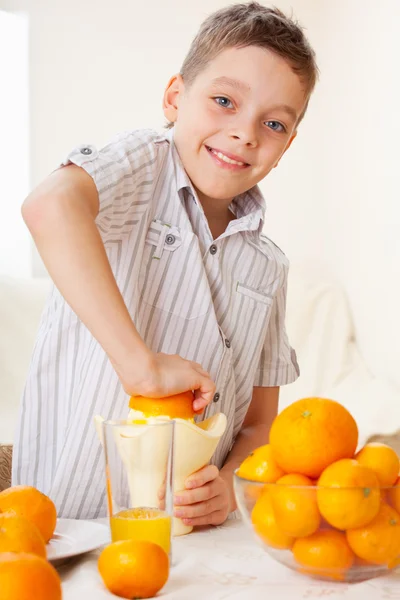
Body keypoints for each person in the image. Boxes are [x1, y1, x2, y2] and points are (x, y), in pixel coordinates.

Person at [12, 2, 318, 525]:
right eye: (224, 100)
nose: (245, 133)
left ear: (287, 144)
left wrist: (228, 483)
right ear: (176, 98)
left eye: (272, 123)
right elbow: (50, 206)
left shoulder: (269, 268)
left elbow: (259, 427)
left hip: (188, 543)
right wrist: (141, 367)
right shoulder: (145, 164)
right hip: (59, 524)